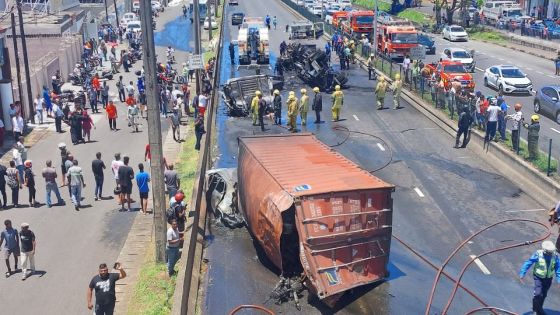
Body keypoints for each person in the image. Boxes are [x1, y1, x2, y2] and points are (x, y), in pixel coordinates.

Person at [519, 240, 560, 315]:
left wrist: (559, 280)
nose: (550, 254)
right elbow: (528, 262)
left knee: (544, 294)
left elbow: (558, 268)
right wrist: (522, 274)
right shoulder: (538, 254)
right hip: (538, 278)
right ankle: (535, 309)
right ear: (545, 251)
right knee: (538, 294)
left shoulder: (555, 256)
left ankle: (539, 308)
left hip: (548, 279)